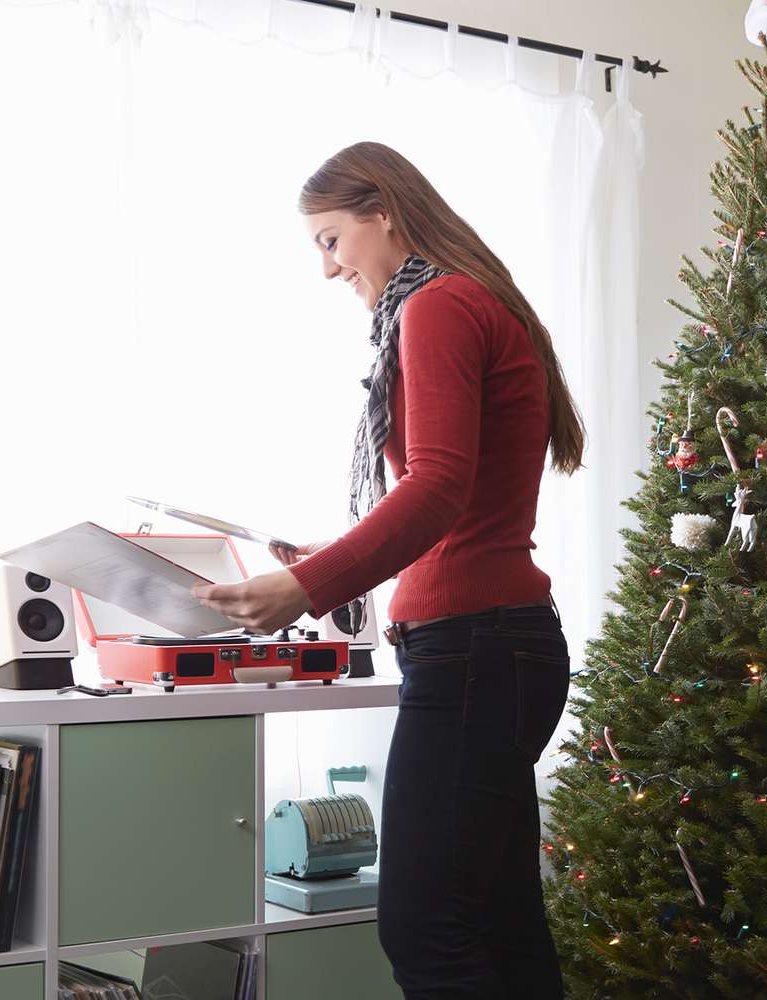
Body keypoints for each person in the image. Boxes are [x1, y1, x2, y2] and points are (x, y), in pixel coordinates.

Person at [192, 141, 582, 999]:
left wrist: (309, 585)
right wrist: (333, 557)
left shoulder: (438, 306)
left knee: (426, 929)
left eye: (331, 240)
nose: (329, 269)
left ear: (384, 213)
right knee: (502, 924)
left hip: (474, 653)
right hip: (504, 648)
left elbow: (439, 486)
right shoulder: (472, 301)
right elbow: (455, 501)